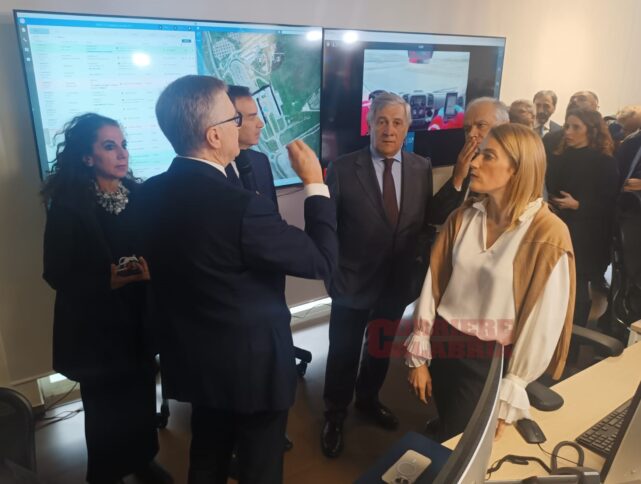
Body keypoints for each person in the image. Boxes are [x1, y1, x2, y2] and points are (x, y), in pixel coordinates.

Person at [138, 75, 337, 484]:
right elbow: (322, 261)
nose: (241, 125)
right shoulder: (243, 208)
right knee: (259, 466)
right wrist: (315, 183)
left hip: (196, 361)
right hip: (251, 368)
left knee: (206, 457)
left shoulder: (148, 193)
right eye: (234, 118)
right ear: (214, 135)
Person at [406, 123, 575, 442]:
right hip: (445, 342)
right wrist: (420, 349)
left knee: (465, 445)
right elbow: (434, 284)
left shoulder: (547, 234)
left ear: (518, 169)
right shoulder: (464, 217)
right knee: (450, 425)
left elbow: (544, 320)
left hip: (489, 360)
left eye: (488, 156)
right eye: (478, 154)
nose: (473, 163)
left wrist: (515, 384)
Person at [41, 113, 171, 484]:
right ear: (87, 157)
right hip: (95, 324)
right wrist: (106, 280)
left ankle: (143, 460)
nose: (122, 153)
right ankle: (105, 474)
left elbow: (157, 247)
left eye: (123, 145)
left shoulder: (139, 196)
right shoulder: (68, 206)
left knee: (141, 393)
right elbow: (55, 272)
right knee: (105, 405)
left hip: (138, 317)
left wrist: (152, 269)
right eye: (110, 146)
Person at [321, 92, 434, 458]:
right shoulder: (342, 168)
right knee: (343, 351)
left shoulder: (421, 168)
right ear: (369, 125)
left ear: (407, 128)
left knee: (380, 347)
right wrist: (332, 273)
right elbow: (327, 227)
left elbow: (421, 225)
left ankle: (368, 399)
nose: (389, 130)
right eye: (382, 121)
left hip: (395, 282)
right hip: (351, 281)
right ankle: (335, 413)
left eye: (397, 123)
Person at [547, 109, 619, 327]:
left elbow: (609, 204)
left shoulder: (604, 162)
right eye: (567, 126)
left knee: (577, 287)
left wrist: (578, 205)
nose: (568, 132)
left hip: (587, 235)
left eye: (576, 127)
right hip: (559, 225)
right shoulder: (560, 156)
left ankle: (574, 336)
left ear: (591, 130)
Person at [428, 97, 510, 221]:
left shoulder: (518, 166)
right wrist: (458, 177)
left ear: (505, 126)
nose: (471, 134)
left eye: (481, 125)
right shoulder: (467, 161)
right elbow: (436, 216)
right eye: (467, 129)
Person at [226, 85, 277, 205]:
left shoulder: (260, 160)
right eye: (252, 117)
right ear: (231, 121)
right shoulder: (211, 172)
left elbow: (273, 211)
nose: (260, 124)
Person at [543, 90, 599, 157]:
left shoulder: (604, 144)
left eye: (582, 99)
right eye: (572, 99)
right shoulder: (550, 140)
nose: (574, 101)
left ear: (596, 107)